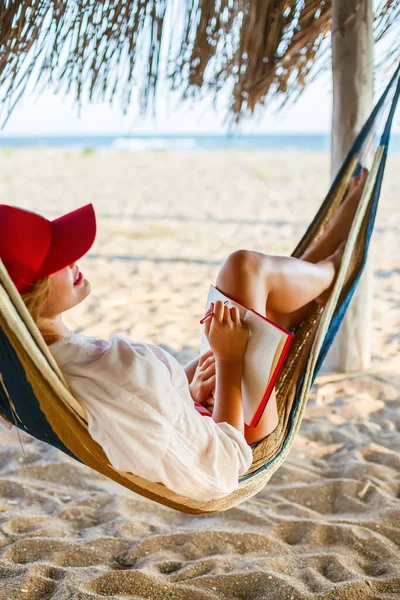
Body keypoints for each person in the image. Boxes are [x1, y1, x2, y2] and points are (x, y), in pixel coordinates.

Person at [0, 169, 368, 501]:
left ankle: (329, 261)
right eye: (59, 262)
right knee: (244, 269)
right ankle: (333, 272)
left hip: (197, 412)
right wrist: (229, 361)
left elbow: (149, 416)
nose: (75, 261)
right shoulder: (108, 376)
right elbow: (224, 463)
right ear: (29, 296)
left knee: (251, 293)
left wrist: (185, 392)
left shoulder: (48, 364)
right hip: (242, 432)